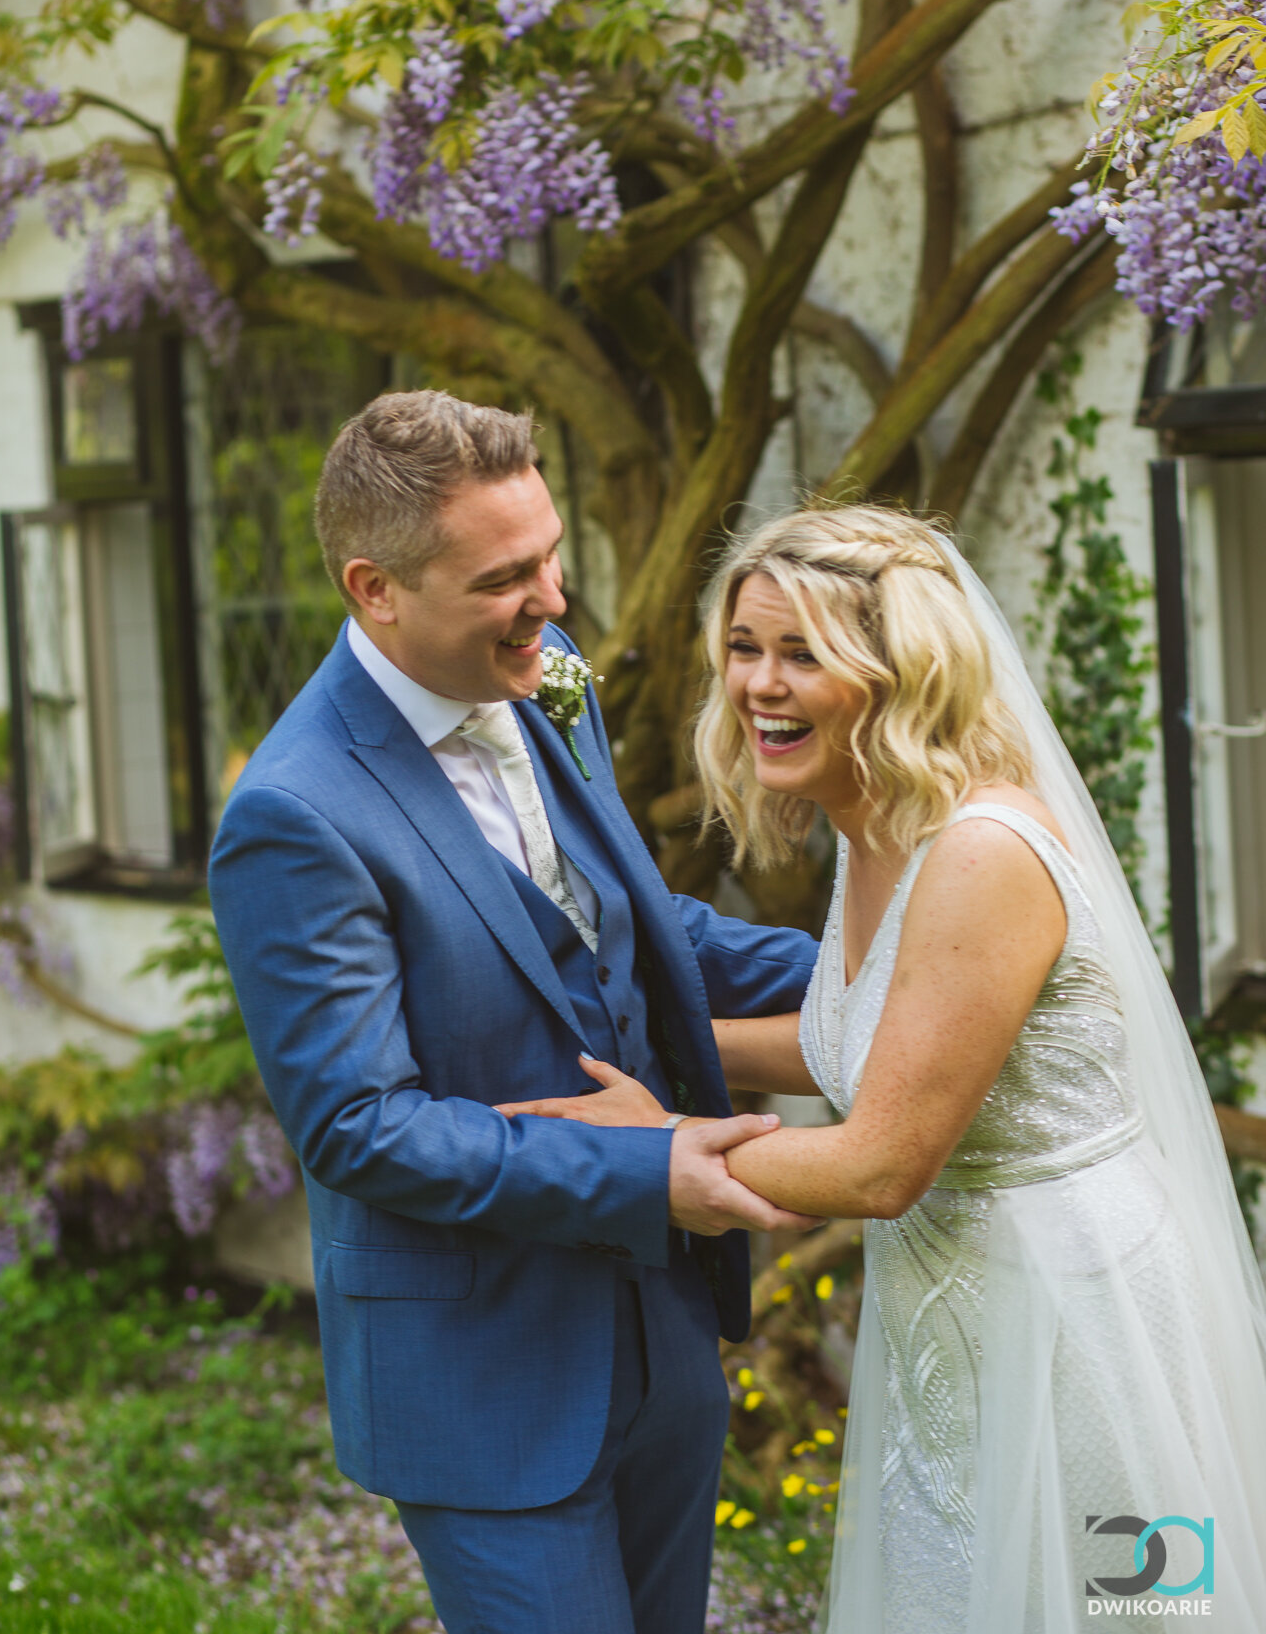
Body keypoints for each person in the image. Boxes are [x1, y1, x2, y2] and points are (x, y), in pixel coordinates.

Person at [505, 504, 1266, 1630]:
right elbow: (855, 1042)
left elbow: (879, 1164)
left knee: (1127, 1606)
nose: (759, 683)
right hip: (951, 1308)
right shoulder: (879, 828)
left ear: (898, 669)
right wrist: (641, 1058)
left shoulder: (976, 853)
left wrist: (649, 1141)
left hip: (1080, 1325)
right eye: (745, 647)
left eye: (802, 652)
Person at [207, 390, 821, 1634]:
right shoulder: (293, 814)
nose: (552, 597)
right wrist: (644, 1173)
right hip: (482, 1380)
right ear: (375, 588)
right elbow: (361, 1128)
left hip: (658, 1338)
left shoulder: (550, 686)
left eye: (549, 553)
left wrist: (887, 964)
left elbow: (641, 932)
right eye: (505, 576)